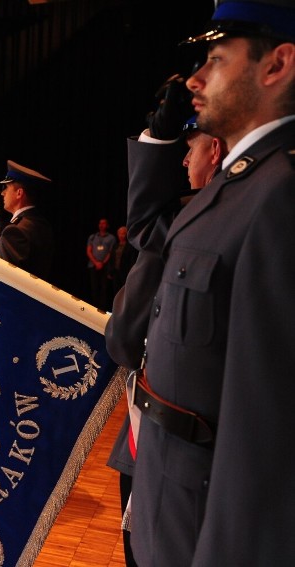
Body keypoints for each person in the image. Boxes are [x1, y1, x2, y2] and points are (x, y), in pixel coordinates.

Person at [125, 3, 295, 564]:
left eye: (217, 60)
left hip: (205, 525)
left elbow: (264, 428)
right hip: (168, 495)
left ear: (277, 66)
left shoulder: (279, 195)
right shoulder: (240, 187)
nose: (196, 79)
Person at [106, 111, 227, 567]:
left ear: (214, 152)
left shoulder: (185, 227)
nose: (183, 162)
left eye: (191, 149)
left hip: (165, 449)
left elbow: (123, 337)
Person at [0, 160, 54, 279]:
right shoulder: (41, 223)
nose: (2, 193)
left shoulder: (15, 231)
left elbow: (7, 280)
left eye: (6, 187)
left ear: (19, 193)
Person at [86, 218, 116, 310]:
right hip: (93, 266)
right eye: (100, 223)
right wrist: (96, 263)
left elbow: (110, 253)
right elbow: (88, 251)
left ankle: (102, 309)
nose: (101, 225)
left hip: (105, 266)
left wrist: (102, 263)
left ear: (107, 226)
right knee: (94, 288)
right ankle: (94, 308)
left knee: (104, 289)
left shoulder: (111, 238)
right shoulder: (92, 237)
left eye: (104, 223)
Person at [108, 226, 136, 294]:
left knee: (124, 290)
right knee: (116, 290)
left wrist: (131, 272)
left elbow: (132, 260)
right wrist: (109, 271)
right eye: (120, 233)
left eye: (123, 233)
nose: (121, 235)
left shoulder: (130, 246)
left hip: (125, 271)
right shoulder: (115, 245)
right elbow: (111, 259)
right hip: (115, 272)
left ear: (126, 234)